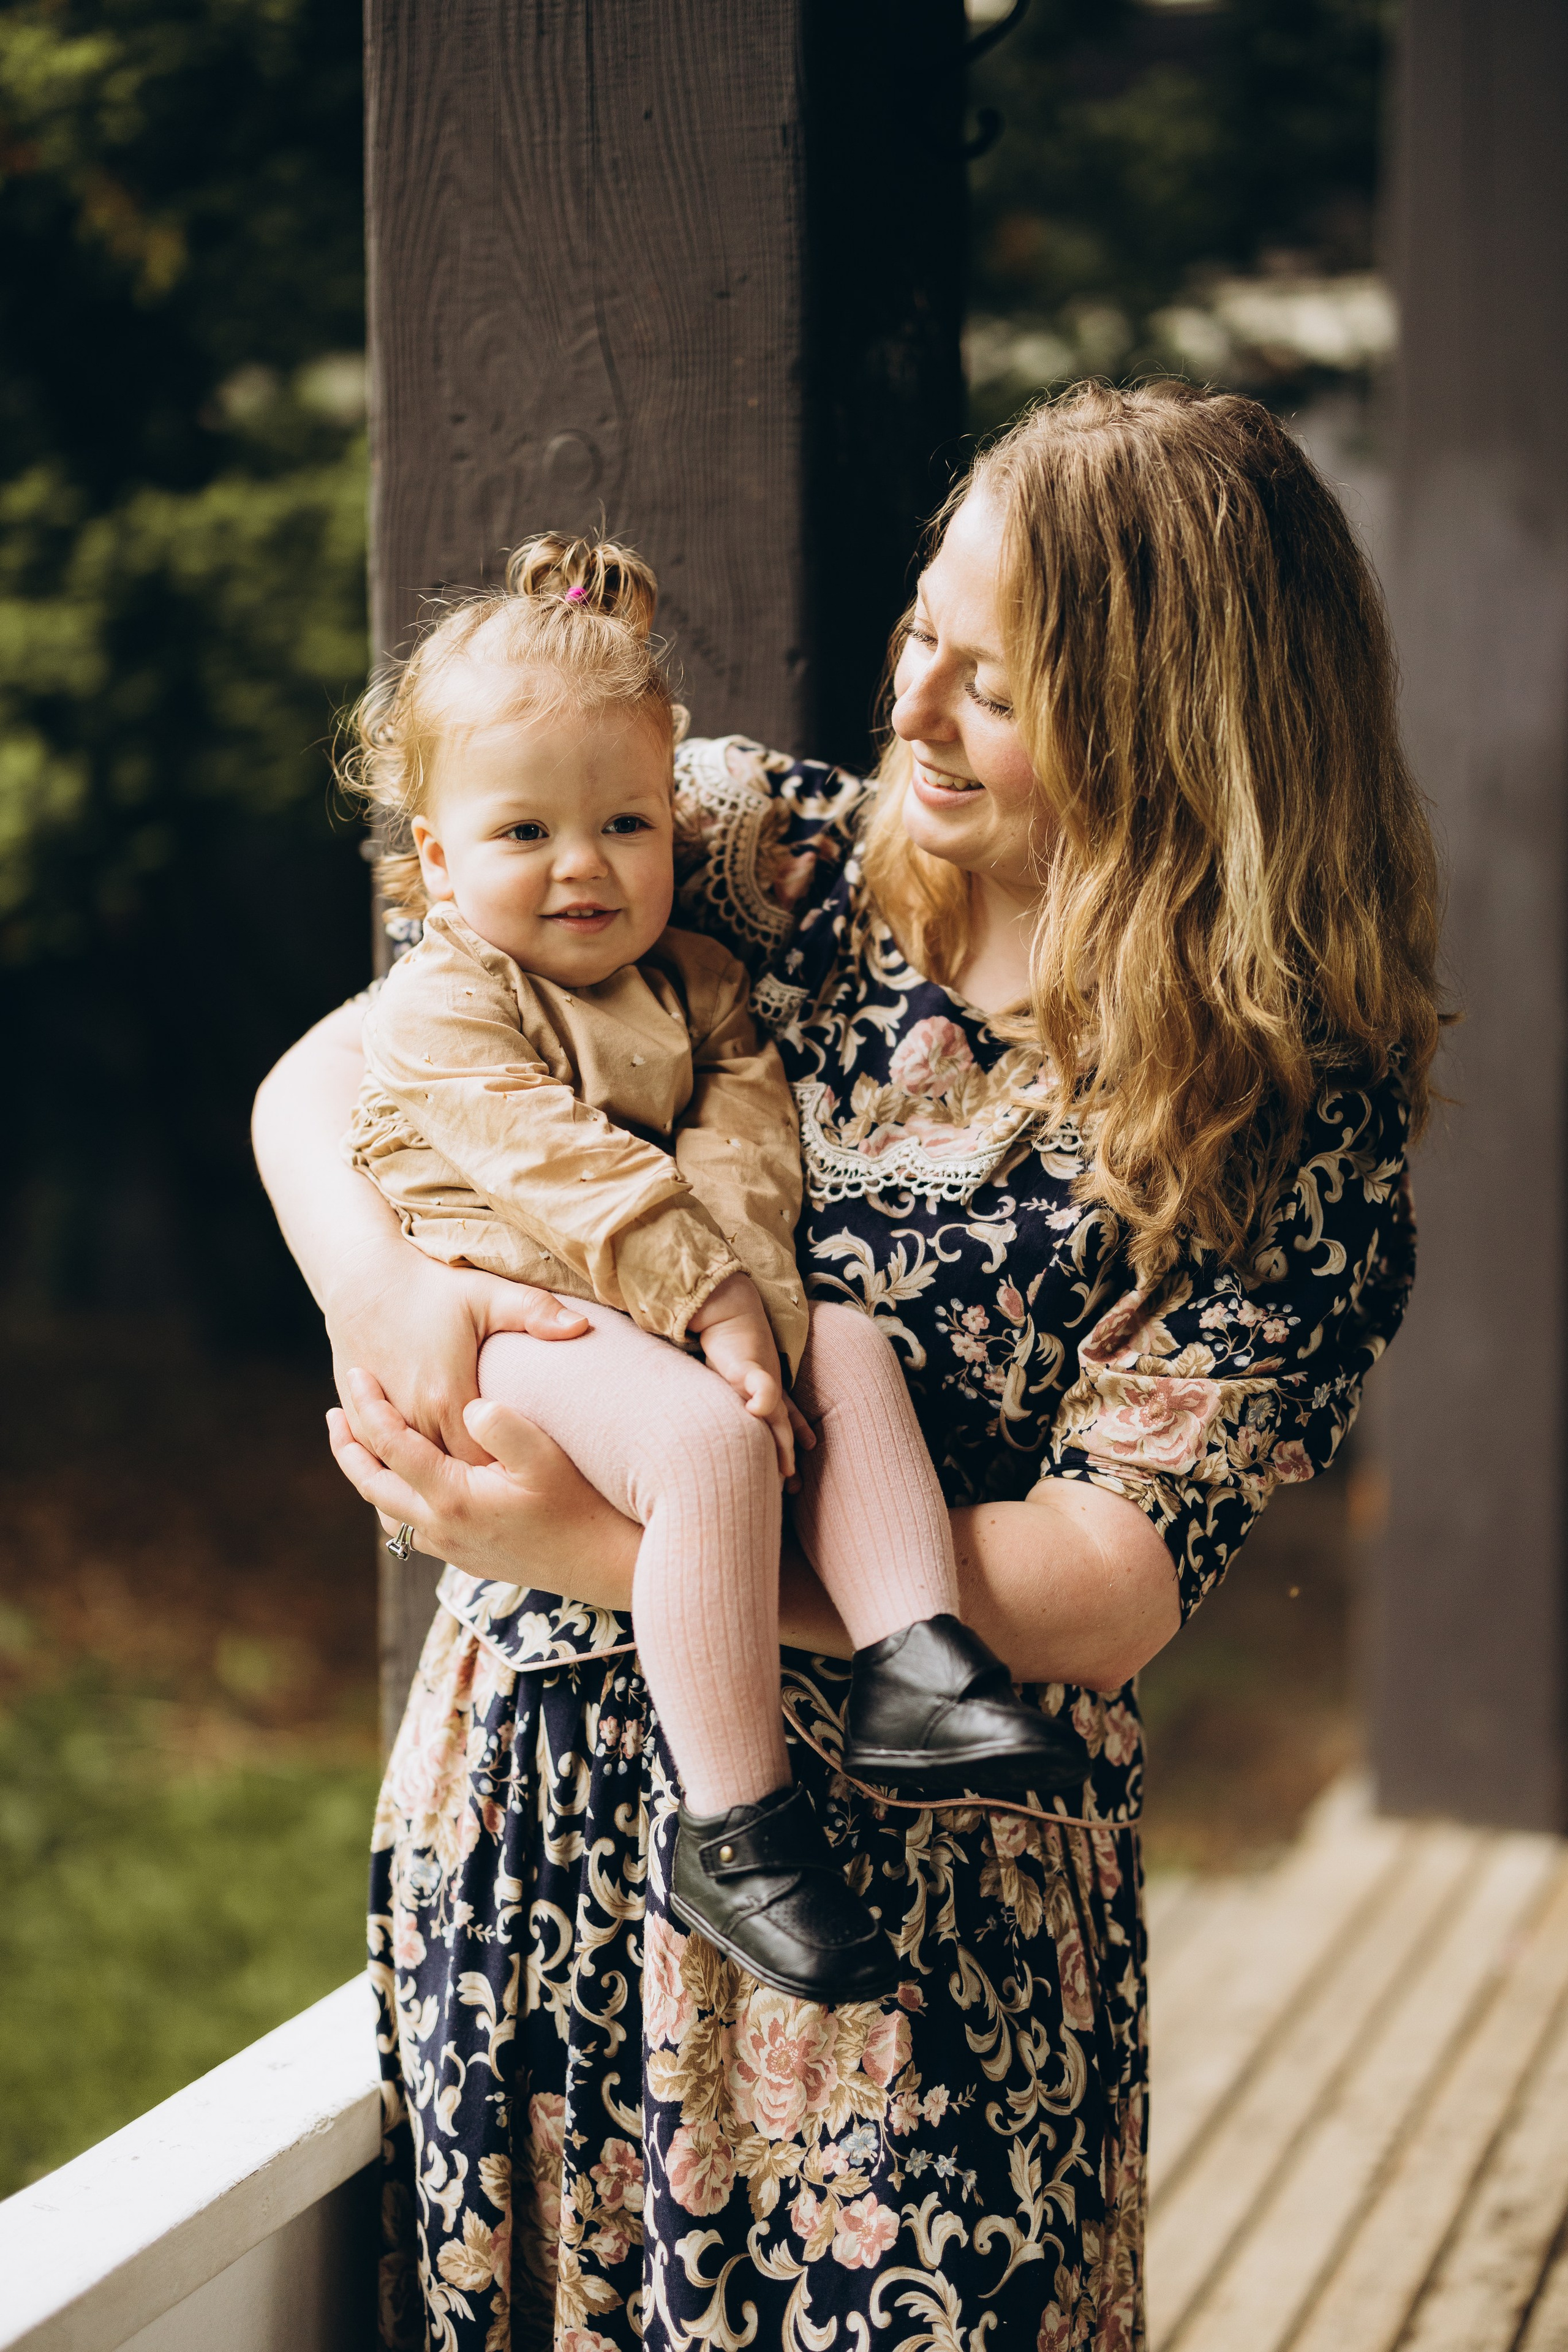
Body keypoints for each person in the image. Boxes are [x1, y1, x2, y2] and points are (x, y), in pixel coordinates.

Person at [254, 382, 1439, 2352]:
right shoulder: (749, 845)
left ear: (1169, 713)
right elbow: (345, 1068)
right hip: (549, 1830)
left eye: (997, 681)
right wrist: (382, 1292)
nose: (911, 704)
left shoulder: (1283, 1105)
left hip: (924, 1934)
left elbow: (1107, 1580)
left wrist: (620, 1550)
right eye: (921, 634)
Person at [337, 529, 1076, 2003]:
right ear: (435, 859)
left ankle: (912, 1659)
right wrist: (715, 1311)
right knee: (708, 1452)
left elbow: (745, 1150)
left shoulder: (700, 982)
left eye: (622, 823)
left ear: (673, 817)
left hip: (662, 1306)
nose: (580, 869)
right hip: (526, 1315)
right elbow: (563, 1167)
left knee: (846, 1346)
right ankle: (735, 1825)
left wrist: (759, 1312)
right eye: (521, 834)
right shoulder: (439, 1002)